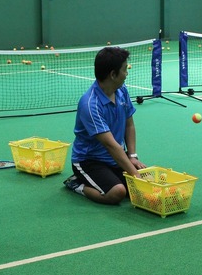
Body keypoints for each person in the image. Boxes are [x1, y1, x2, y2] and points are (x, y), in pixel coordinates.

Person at [63, 47, 147, 205]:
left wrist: (132, 156)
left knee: (147, 177)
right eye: (124, 70)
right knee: (118, 192)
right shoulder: (90, 104)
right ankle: (76, 184)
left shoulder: (122, 91)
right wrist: (135, 175)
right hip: (89, 161)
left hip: (114, 158)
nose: (126, 74)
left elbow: (129, 125)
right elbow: (110, 145)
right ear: (113, 75)